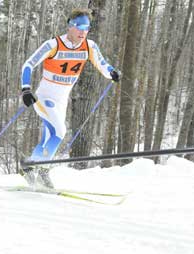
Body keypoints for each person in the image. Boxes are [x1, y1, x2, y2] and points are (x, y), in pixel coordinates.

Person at [19, 8, 120, 189]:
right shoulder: (54, 45)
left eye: (87, 28)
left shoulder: (89, 46)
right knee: (59, 131)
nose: (83, 32)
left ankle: (28, 166)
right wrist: (25, 89)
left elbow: (102, 64)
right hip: (44, 98)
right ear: (70, 27)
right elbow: (28, 64)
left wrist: (112, 72)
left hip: (61, 101)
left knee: (48, 138)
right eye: (80, 27)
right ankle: (42, 170)